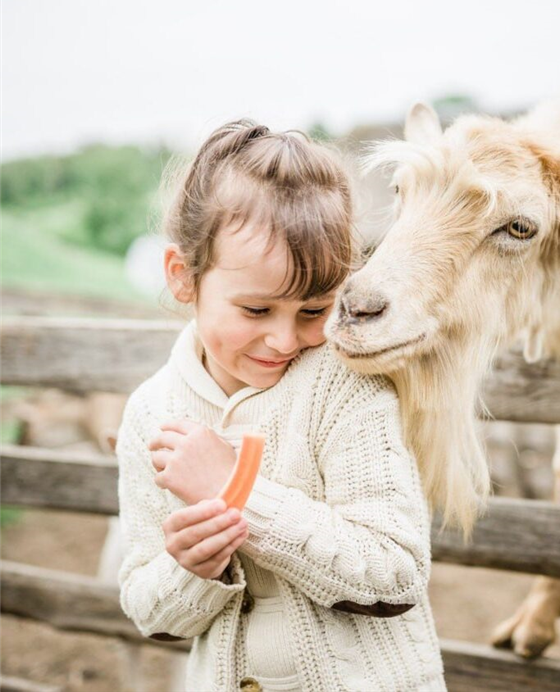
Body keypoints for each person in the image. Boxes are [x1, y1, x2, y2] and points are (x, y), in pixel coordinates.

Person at [116, 121, 447, 692]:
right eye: (256, 310)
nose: (285, 341)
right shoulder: (150, 412)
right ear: (183, 276)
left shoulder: (346, 385)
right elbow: (150, 613)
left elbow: (395, 574)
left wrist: (236, 494)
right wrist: (193, 571)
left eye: (315, 311)